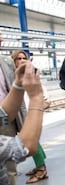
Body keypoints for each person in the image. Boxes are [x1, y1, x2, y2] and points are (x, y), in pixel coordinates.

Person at [0, 59, 48, 184]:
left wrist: (18, 84)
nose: (2, 38)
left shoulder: (4, 62)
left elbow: (2, 114)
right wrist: (36, 97)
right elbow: (25, 147)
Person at [0, 34, 27, 185]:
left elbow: (16, 91)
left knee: (10, 164)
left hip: (5, 119)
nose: (1, 39)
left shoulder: (7, 62)